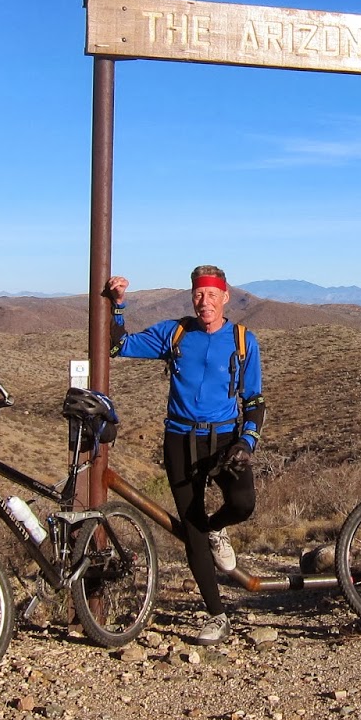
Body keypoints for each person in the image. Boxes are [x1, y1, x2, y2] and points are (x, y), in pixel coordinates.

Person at [104, 266, 265, 646]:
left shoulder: (243, 340)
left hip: (225, 439)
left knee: (243, 504)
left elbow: (255, 400)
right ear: (191, 296)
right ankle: (216, 613)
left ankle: (217, 529)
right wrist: (119, 305)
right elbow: (117, 346)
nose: (204, 301)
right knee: (191, 527)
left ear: (226, 297)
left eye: (212, 294)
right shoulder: (174, 333)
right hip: (179, 439)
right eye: (198, 294)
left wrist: (247, 442)